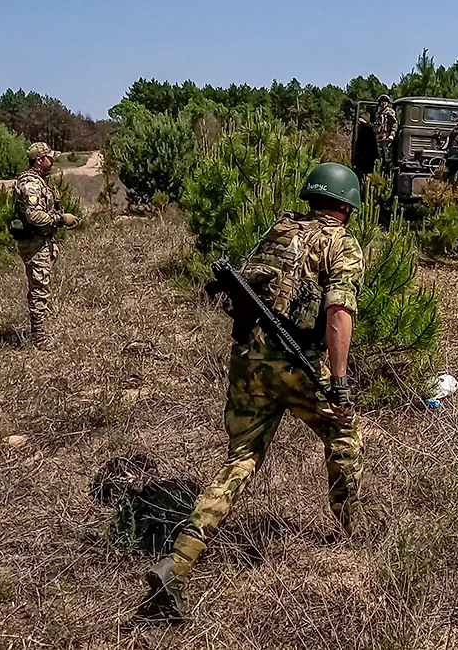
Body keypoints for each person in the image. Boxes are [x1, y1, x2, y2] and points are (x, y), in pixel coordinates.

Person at [143, 163, 366, 619]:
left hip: (250, 360)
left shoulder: (279, 230)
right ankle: (355, 533)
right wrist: (339, 383)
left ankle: (179, 561)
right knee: (345, 434)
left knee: (241, 458)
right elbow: (338, 313)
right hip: (300, 365)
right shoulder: (341, 244)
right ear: (346, 205)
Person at [11, 142, 79, 350]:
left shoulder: (40, 181)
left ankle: (39, 329)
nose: (53, 160)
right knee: (39, 287)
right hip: (33, 242)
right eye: (50, 157)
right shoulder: (31, 183)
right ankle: (38, 337)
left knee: (41, 285)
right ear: (39, 160)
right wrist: (61, 219)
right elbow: (33, 216)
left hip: (41, 241)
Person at [359, 94, 397, 172]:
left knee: (388, 158)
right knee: (381, 158)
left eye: (385, 102)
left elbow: (394, 124)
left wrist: (392, 135)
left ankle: (390, 174)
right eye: (382, 102)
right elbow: (376, 125)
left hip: (387, 138)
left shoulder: (390, 112)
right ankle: (383, 173)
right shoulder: (378, 114)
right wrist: (366, 123)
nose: (383, 103)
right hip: (379, 138)